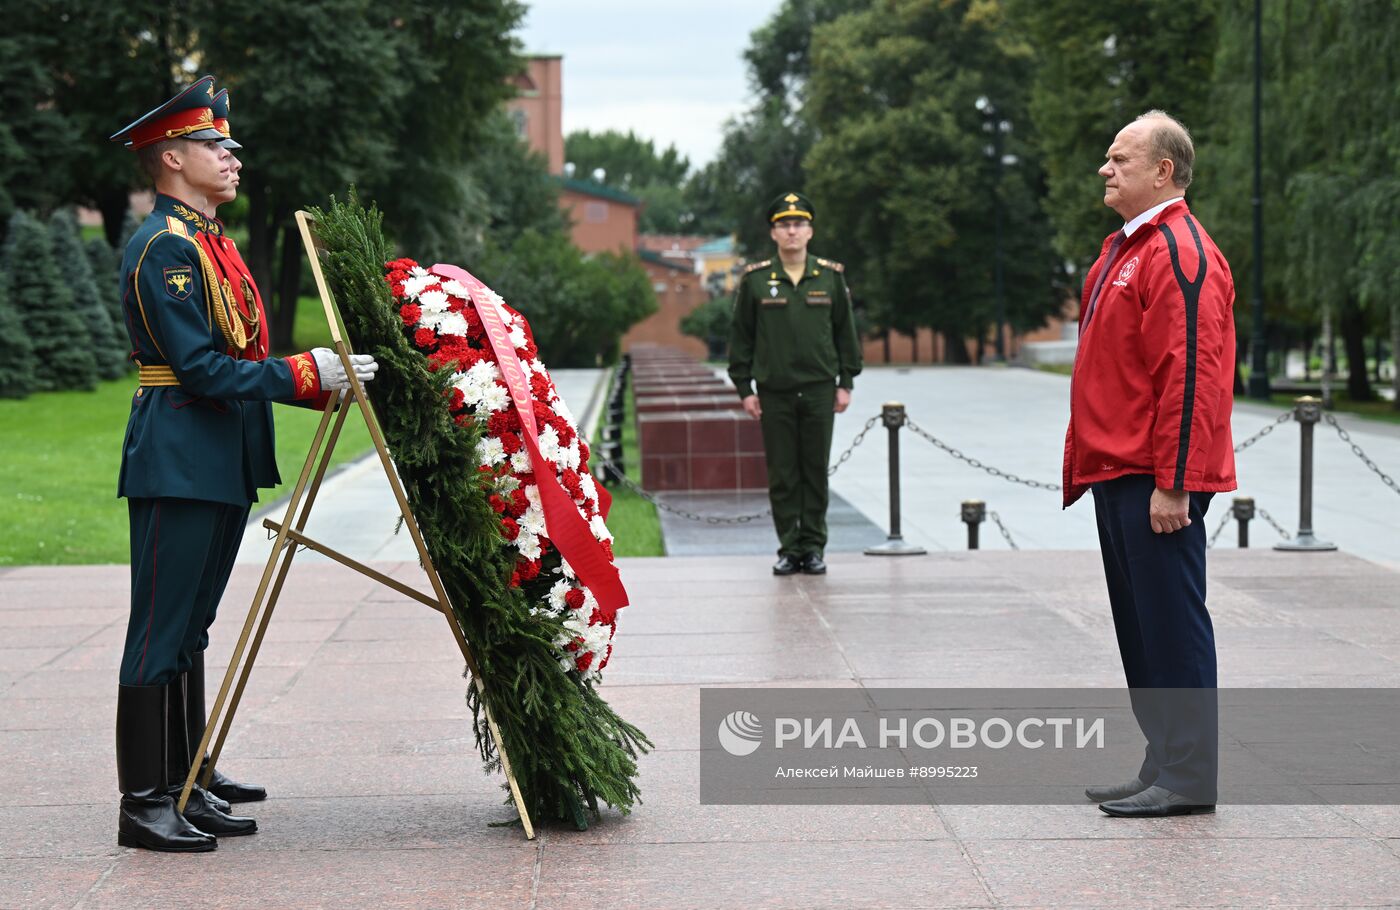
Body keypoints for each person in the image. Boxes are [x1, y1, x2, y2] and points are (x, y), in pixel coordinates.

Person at [109, 75, 379, 852]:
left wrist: (312, 377)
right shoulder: (164, 247)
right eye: (212, 145)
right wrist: (307, 376)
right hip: (179, 452)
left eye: (229, 145)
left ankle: (186, 779)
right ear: (169, 159)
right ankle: (143, 801)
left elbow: (235, 354)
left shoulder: (207, 241)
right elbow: (199, 368)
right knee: (160, 632)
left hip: (216, 452)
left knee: (191, 628)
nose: (231, 156)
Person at [1063, 111, 1236, 818]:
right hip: (1118, 470)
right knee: (1142, 627)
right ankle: (1164, 758)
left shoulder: (1179, 251)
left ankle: (1190, 776)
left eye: (1120, 158)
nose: (1106, 169)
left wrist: (1176, 482)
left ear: (1163, 171)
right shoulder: (1127, 248)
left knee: (1171, 623)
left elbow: (1190, 372)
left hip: (1154, 477)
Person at [728, 192, 862, 576]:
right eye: (784, 224)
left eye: (798, 223)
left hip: (821, 390)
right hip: (775, 392)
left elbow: (845, 335)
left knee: (815, 471)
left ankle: (814, 547)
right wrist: (745, 389)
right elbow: (742, 339)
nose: (792, 230)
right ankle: (789, 547)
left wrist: (846, 382)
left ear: (810, 231)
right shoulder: (756, 281)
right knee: (783, 474)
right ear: (773, 233)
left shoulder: (831, 277)